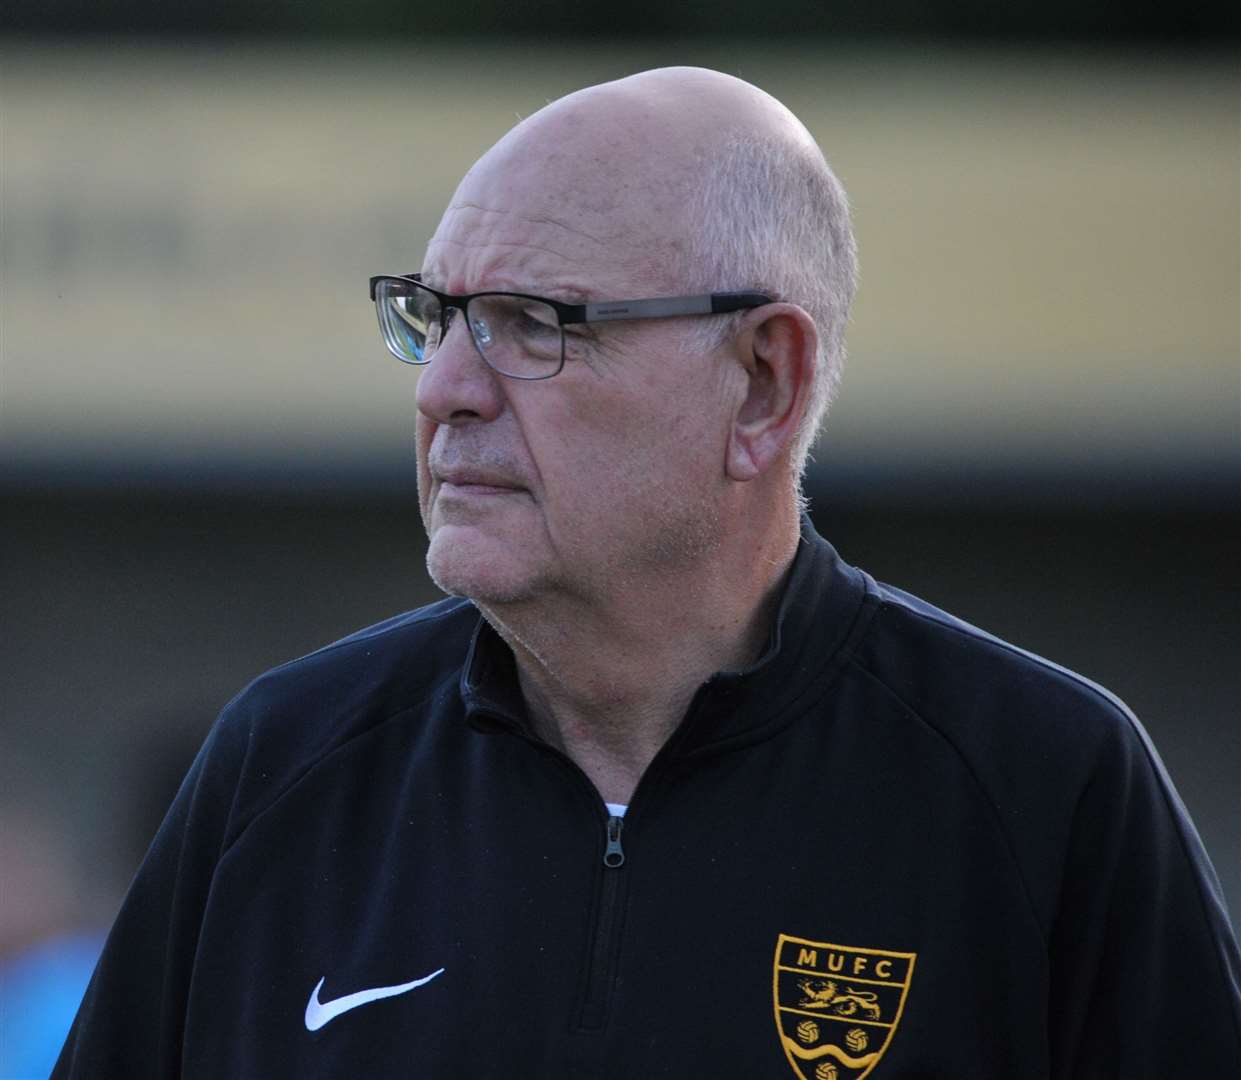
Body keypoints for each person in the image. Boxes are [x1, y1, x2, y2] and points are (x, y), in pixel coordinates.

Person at [55, 67, 1238, 1078]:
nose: (442, 391)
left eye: (530, 322)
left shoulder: (1042, 788)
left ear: (762, 384)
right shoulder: (283, 766)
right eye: (435, 316)